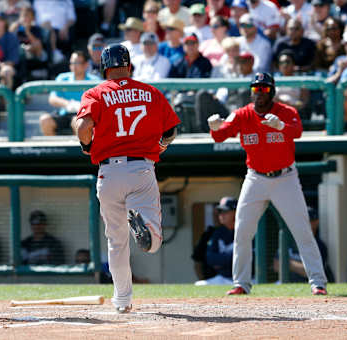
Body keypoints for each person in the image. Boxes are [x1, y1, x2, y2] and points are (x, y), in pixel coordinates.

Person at [76, 43, 180, 313]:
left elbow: (84, 126)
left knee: (116, 240)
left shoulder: (96, 93)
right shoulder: (150, 92)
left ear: (105, 67)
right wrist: (159, 149)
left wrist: (87, 146)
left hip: (108, 171)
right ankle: (148, 232)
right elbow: (170, 130)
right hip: (141, 168)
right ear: (129, 65)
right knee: (153, 240)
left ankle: (122, 300)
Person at [207, 72, 328, 296]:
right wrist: (214, 127)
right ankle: (241, 283)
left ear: (271, 91)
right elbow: (220, 137)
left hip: (285, 178)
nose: (259, 93)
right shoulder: (242, 114)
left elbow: (298, 132)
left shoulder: (286, 112)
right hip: (255, 177)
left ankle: (318, 282)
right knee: (242, 231)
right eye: (255, 89)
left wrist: (281, 126)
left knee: (302, 231)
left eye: (263, 89)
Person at [41, 50, 99, 136]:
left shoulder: (94, 80)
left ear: (86, 65)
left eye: (77, 63)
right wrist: (68, 104)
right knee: (45, 120)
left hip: (84, 116)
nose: (74, 66)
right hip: (64, 114)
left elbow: (98, 102)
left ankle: (81, 149)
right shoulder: (62, 78)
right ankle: (56, 149)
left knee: (77, 122)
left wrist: (82, 107)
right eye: (72, 63)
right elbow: (52, 99)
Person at [273, 206, 334, 283]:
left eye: (309, 221)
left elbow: (312, 272)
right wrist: (299, 267)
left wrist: (287, 263)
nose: (304, 224)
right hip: (285, 283)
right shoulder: (289, 241)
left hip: (307, 283)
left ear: (316, 222)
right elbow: (276, 266)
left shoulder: (319, 246)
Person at [194, 197, 237, 286]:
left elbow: (250, 261)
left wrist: (222, 261)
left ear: (235, 212)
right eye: (220, 211)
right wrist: (230, 258)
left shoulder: (245, 230)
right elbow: (210, 258)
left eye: (225, 211)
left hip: (247, 278)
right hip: (223, 277)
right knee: (199, 285)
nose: (221, 215)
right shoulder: (217, 233)